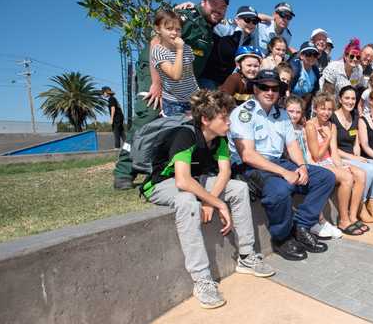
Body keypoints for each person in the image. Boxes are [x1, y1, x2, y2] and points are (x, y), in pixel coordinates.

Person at [141, 89, 274, 309]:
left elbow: (224, 173)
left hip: (196, 180)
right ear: (205, 119)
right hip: (162, 183)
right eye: (224, 118)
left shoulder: (219, 139)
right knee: (186, 201)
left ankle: (246, 256)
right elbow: (182, 181)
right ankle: (202, 279)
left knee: (239, 188)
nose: (229, 123)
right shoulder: (185, 135)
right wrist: (218, 203)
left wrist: (209, 200)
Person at [113, 0, 230, 190]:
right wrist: (156, 83)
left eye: (222, 7)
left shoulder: (210, 29)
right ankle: (124, 171)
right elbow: (155, 42)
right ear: (203, 2)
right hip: (156, 72)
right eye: (214, 4)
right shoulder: (187, 18)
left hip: (181, 81)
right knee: (148, 115)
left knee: (185, 122)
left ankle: (167, 167)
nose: (218, 9)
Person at [229, 69, 336, 261]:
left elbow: (292, 145)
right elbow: (248, 155)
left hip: (277, 162)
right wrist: (284, 173)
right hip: (251, 167)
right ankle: (281, 238)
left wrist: (302, 166)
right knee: (280, 189)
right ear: (255, 89)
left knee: (325, 177)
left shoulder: (282, 114)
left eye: (275, 88)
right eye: (264, 87)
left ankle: (302, 226)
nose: (270, 92)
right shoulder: (243, 113)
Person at [306, 93, 369, 235]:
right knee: (347, 178)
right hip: (317, 164)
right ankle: (343, 220)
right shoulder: (310, 126)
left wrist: (340, 165)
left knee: (360, 174)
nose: (326, 112)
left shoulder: (332, 125)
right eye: (322, 109)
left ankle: (353, 216)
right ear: (315, 109)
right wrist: (327, 138)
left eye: (329, 109)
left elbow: (334, 152)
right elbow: (316, 155)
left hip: (329, 161)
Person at [285, 95, 342, 240]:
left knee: (325, 177)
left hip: (305, 162)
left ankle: (319, 221)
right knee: (319, 179)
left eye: (298, 112)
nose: (294, 115)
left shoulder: (300, 127)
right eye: (291, 111)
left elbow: (306, 152)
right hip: (291, 166)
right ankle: (319, 221)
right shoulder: (284, 127)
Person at [332, 86, 373, 221]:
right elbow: (333, 148)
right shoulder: (333, 118)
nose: (350, 101)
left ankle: (371, 203)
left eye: (353, 99)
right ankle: (360, 206)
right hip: (339, 157)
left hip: (353, 156)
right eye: (347, 98)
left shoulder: (355, 115)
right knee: (368, 169)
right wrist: (354, 158)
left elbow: (356, 142)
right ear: (340, 99)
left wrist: (358, 156)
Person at [150, 9, 200, 117]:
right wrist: (180, 50)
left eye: (178, 29)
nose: (174, 33)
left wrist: (197, 96)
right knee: (178, 131)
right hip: (173, 102)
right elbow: (175, 75)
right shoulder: (158, 51)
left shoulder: (187, 48)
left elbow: (190, 75)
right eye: (169, 29)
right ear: (158, 29)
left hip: (192, 99)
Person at [289, 42, 321, 110]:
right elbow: (287, 90)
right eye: (308, 54)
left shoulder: (315, 72)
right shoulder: (295, 69)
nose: (312, 57)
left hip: (302, 104)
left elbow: (310, 93)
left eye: (315, 55)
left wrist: (302, 110)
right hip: (289, 101)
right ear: (301, 56)